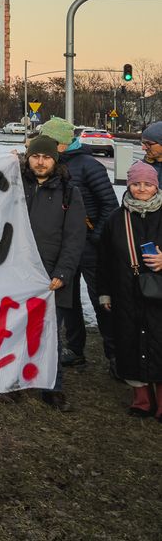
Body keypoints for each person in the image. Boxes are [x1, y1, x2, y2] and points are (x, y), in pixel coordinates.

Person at [40, 117, 119, 372]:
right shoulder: (52, 165)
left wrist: (94, 238)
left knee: (100, 300)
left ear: (61, 144)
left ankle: (116, 356)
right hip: (64, 247)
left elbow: (109, 205)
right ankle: (74, 348)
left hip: (91, 247)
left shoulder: (89, 166)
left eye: (48, 141)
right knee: (68, 300)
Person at [21, 134, 86, 412]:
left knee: (49, 335)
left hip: (51, 277)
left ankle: (53, 387)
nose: (40, 162)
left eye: (46, 157)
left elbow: (75, 237)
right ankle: (15, 381)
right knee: (16, 331)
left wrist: (64, 271)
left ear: (54, 160)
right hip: (18, 275)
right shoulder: (16, 186)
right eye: (35, 156)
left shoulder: (70, 193)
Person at [97, 161, 162, 418]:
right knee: (130, 342)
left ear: (156, 185)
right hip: (125, 293)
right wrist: (105, 292)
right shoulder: (116, 218)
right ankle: (142, 399)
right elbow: (103, 259)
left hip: (159, 296)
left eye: (147, 184)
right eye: (136, 184)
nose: (141, 189)